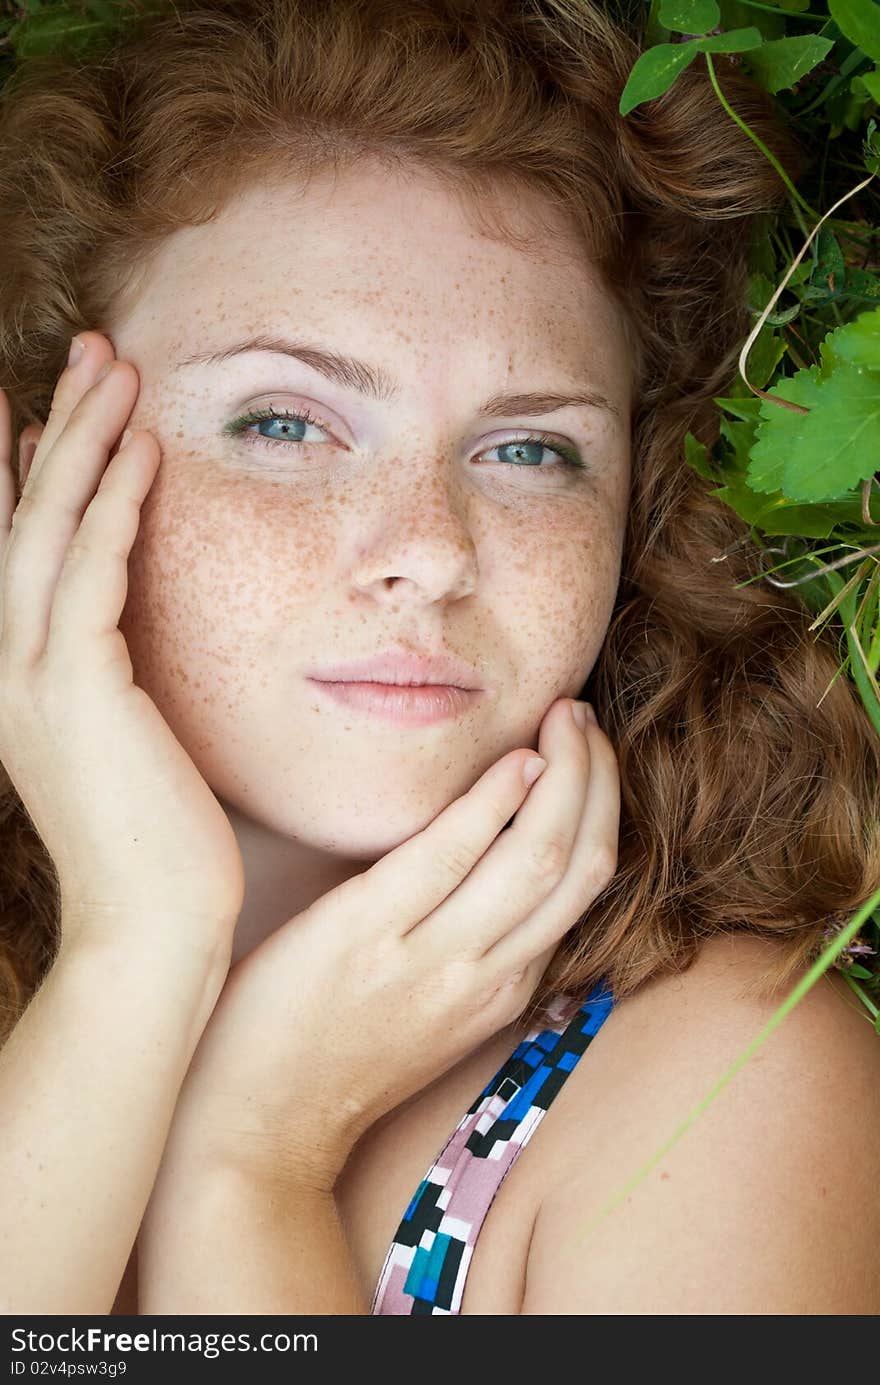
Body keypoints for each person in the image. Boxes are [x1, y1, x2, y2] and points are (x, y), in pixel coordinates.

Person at [0, 0, 878, 1318]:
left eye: (528, 449)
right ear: (37, 471)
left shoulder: (723, 1086)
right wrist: (138, 948)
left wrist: (256, 1161)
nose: (432, 548)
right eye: (287, 420)